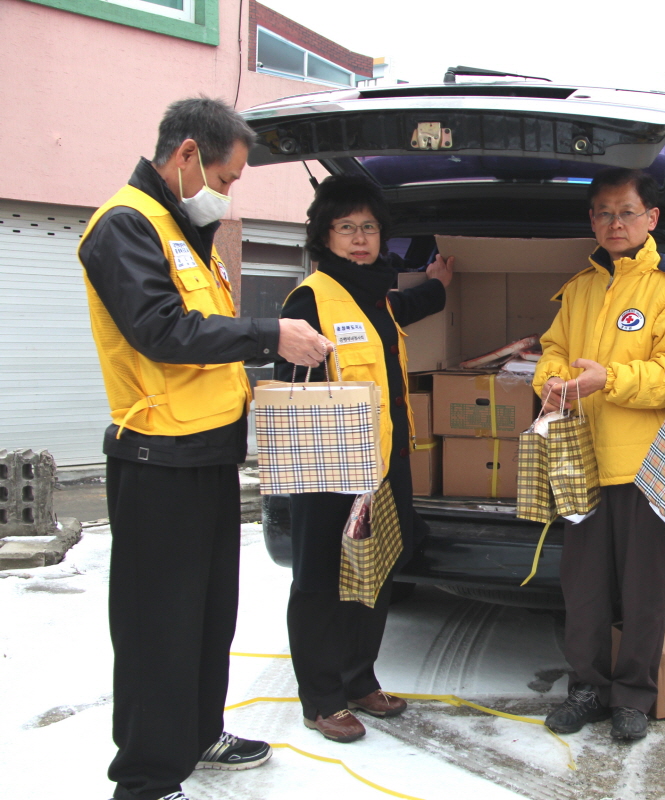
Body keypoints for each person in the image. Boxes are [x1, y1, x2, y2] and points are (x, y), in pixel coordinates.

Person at [79, 97, 332, 800]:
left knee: (208, 614)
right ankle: (147, 777)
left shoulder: (182, 231)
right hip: (157, 461)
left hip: (210, 455)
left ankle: (196, 733)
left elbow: (205, 341)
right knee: (157, 623)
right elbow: (163, 331)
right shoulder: (124, 226)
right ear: (187, 155)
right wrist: (268, 335)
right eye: (228, 178)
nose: (227, 193)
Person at [532, 167, 665, 741]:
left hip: (649, 463)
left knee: (644, 589)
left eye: (626, 211)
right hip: (581, 458)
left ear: (651, 219)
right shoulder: (580, 287)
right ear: (592, 221)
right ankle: (586, 688)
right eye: (604, 213)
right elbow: (553, 349)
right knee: (581, 585)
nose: (615, 222)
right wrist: (553, 382)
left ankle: (634, 695)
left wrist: (606, 379)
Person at [277, 174, 453, 743]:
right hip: (328, 469)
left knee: (373, 576)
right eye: (346, 227)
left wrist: (438, 286)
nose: (359, 238)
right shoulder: (310, 300)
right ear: (324, 236)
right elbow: (290, 392)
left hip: (382, 466)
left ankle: (358, 679)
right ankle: (322, 698)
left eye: (369, 228)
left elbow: (402, 309)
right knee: (321, 581)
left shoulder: (377, 296)